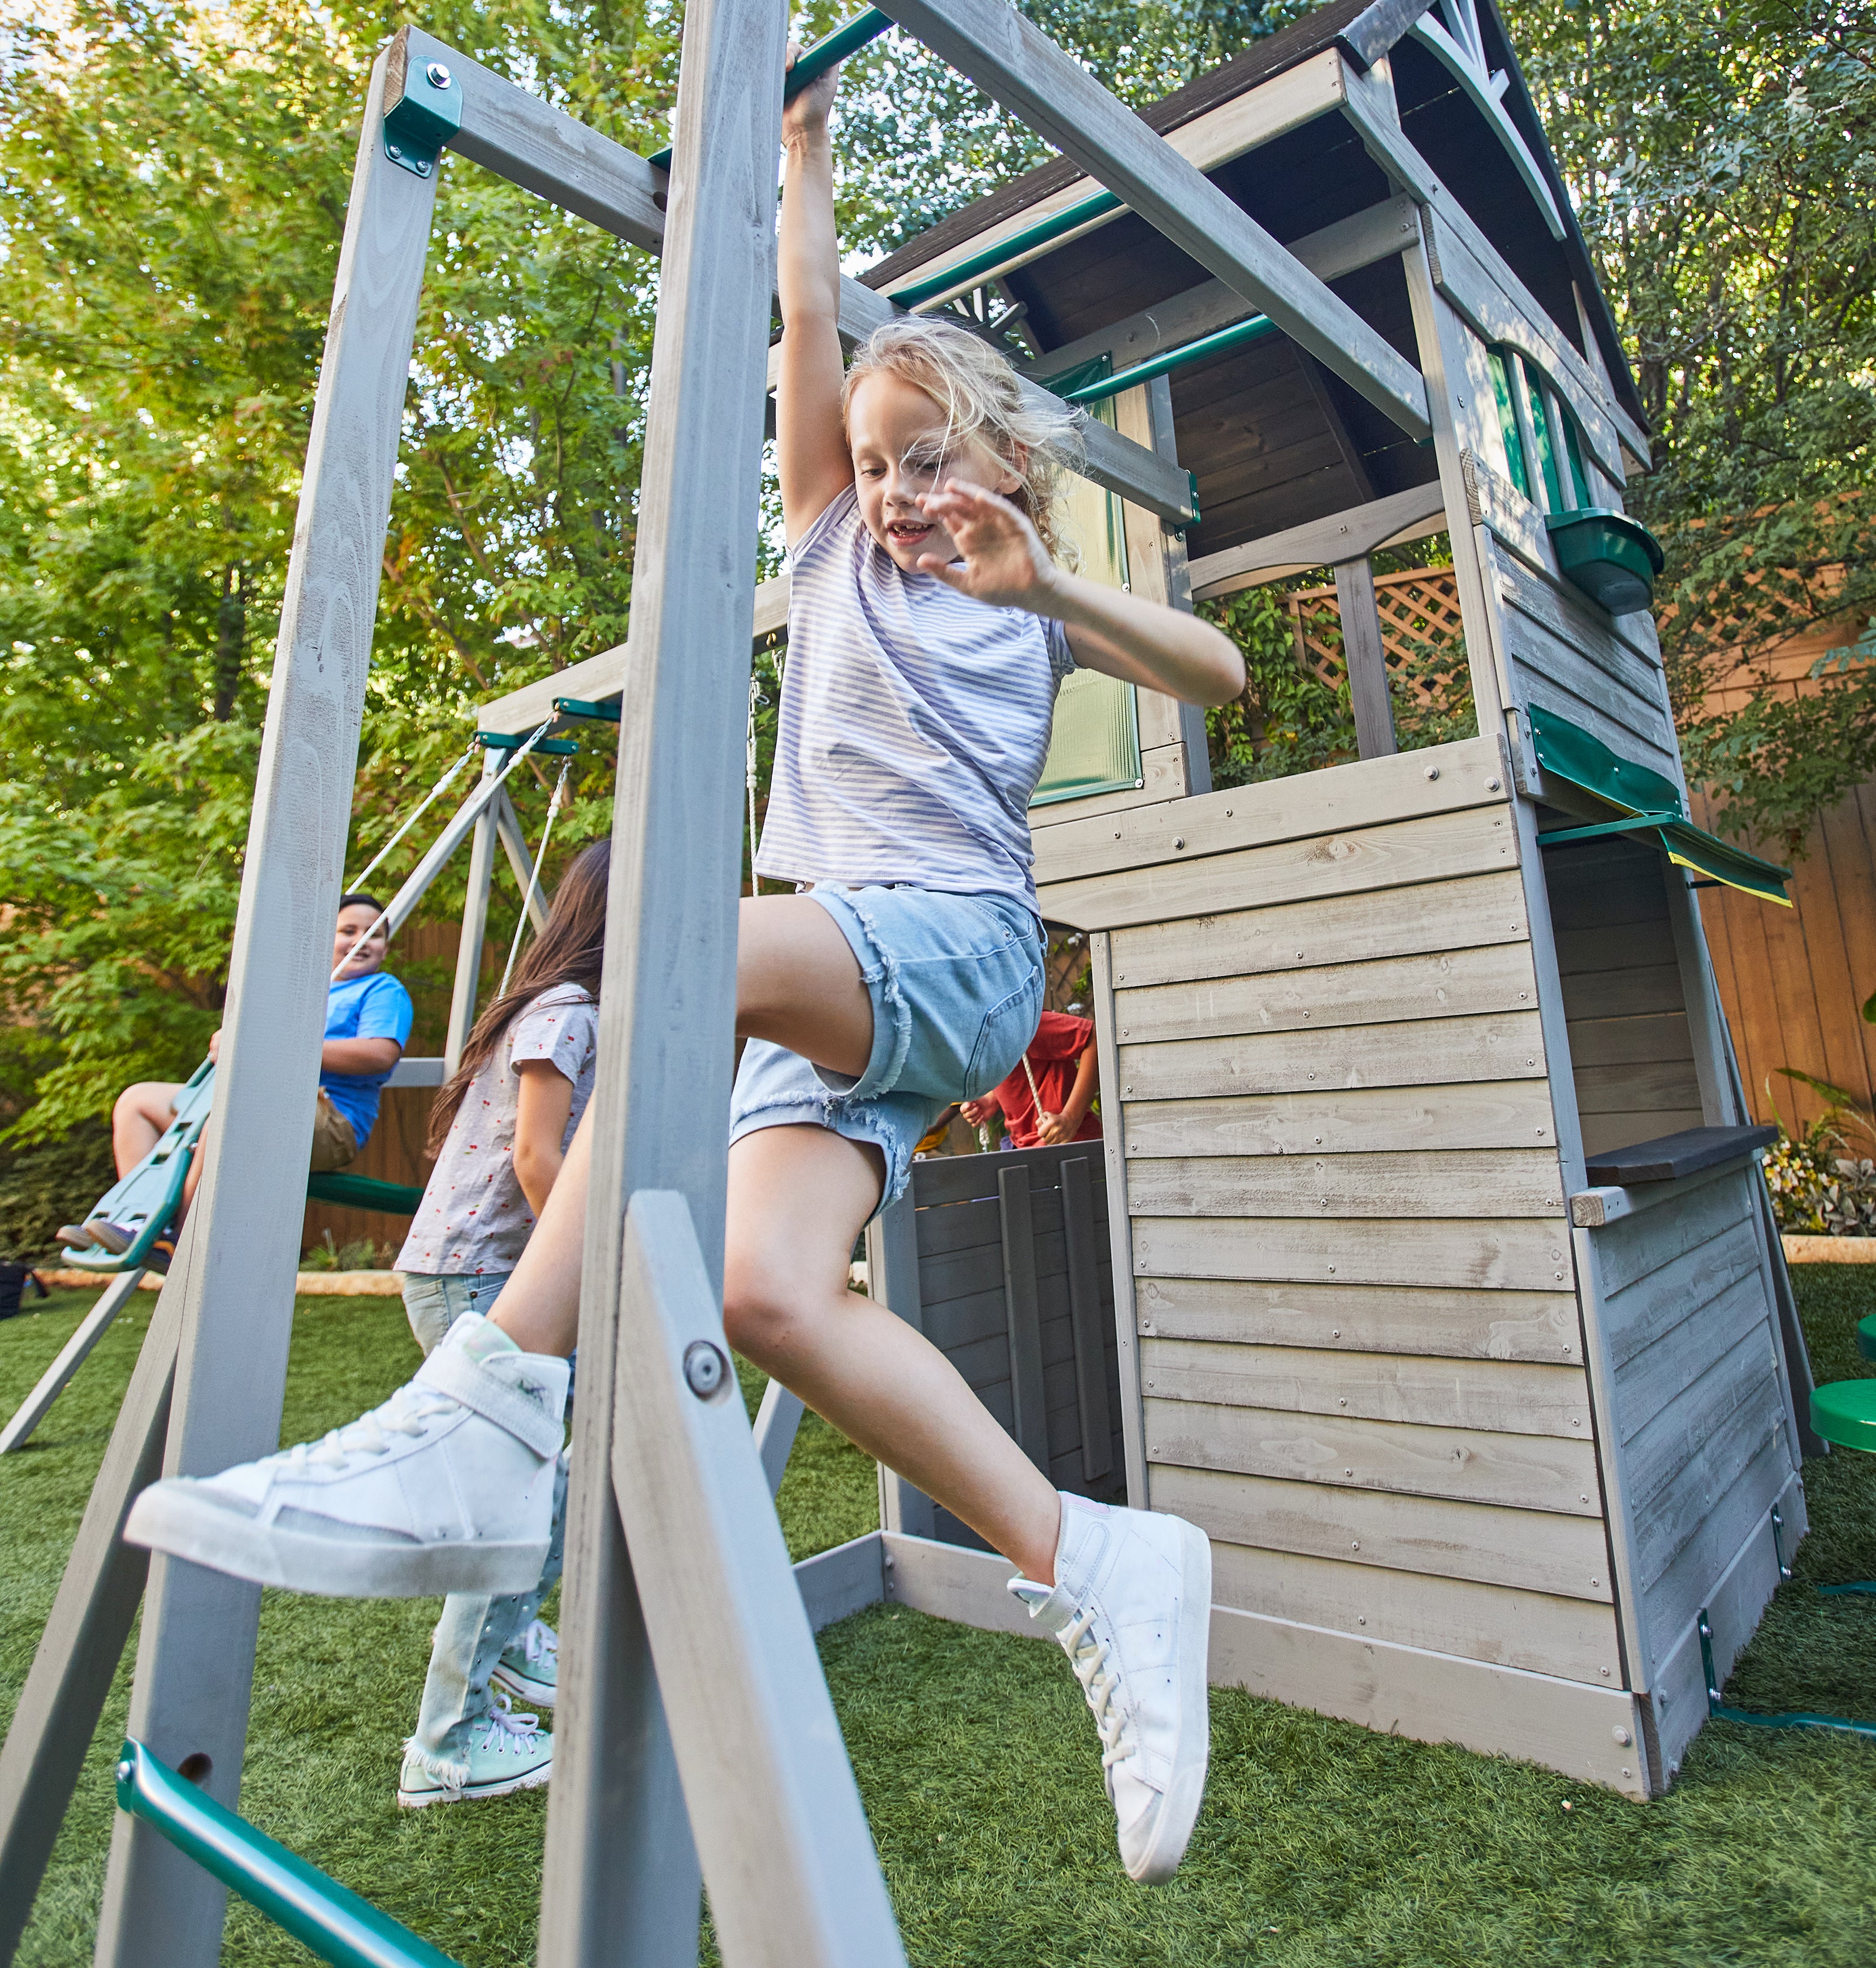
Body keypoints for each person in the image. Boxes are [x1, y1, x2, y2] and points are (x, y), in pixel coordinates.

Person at [127, 48, 1246, 1888]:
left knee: (674, 948)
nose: (890, 489)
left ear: (1001, 467)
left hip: (951, 949)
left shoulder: (1016, 611)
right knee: (766, 1291)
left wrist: (1043, 580)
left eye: (925, 461)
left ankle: (490, 1408)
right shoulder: (832, 552)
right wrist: (795, 147)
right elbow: (803, 312)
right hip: (837, 991)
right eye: (871, 462)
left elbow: (1217, 681)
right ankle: (1093, 1555)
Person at [390, 836, 610, 1809]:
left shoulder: (571, 1010)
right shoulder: (566, 1012)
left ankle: (513, 1645)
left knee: (549, 1479)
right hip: (476, 1275)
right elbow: (535, 1158)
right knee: (519, 1497)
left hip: (485, 1272)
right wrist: (605, 1259)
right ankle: (447, 1742)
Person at [62, 894, 411, 1255]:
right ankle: (138, 1217)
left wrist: (277, 1046)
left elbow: (380, 1055)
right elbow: (249, 1041)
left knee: (228, 1116)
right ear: (326, 938)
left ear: (385, 948)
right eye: (348, 930)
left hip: (330, 1121)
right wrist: (228, 1042)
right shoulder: (301, 991)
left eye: (373, 934)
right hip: (265, 1104)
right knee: (136, 1100)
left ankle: (179, 1239)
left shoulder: (382, 990)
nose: (360, 941)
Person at [963, 1008, 1101, 1150]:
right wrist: (991, 1099)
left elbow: (1094, 1038)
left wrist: (1071, 1118)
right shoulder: (980, 1036)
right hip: (1022, 1145)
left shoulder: (1020, 1025)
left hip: (1066, 1146)